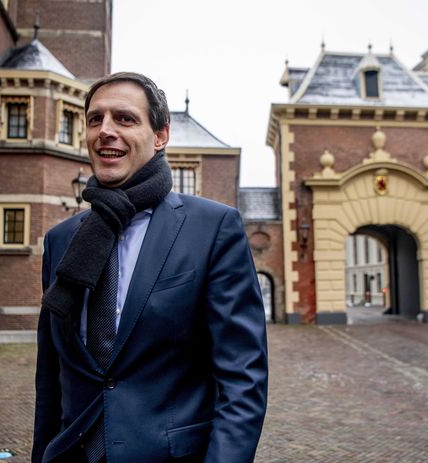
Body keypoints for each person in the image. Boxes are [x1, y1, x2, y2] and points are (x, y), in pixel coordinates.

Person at [33, 72, 268, 463]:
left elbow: (243, 381)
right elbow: (50, 378)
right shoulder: (62, 240)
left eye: (125, 119)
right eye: (95, 119)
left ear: (161, 135)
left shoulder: (213, 228)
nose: (105, 131)